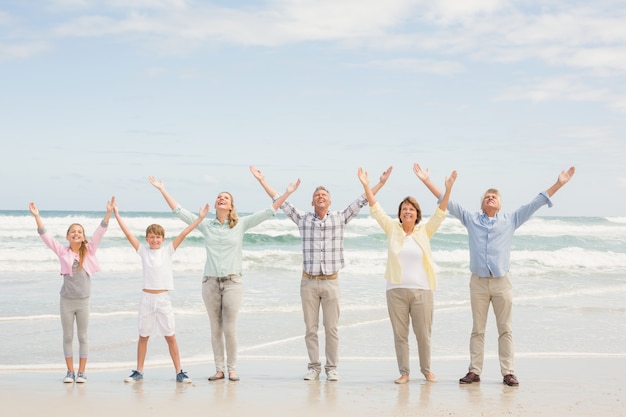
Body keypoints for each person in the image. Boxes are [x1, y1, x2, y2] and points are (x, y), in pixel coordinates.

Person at [415, 163, 576, 386]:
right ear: (482, 204)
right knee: (477, 330)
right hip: (478, 283)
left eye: (494, 197)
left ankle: (508, 372)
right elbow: (447, 202)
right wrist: (426, 180)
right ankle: (474, 371)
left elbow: (536, 202)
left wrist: (558, 183)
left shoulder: (510, 220)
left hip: (502, 283)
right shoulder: (471, 220)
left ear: (499, 205)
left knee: (505, 329)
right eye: (487, 197)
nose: (490, 198)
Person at [150, 173, 299, 382]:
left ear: (231, 206)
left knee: (230, 328)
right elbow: (179, 211)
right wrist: (162, 189)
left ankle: (232, 369)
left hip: (232, 282)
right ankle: (219, 370)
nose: (221, 199)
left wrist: (287, 193)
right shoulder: (205, 224)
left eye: (225, 198)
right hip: (209, 282)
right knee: (215, 329)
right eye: (219, 197)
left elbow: (269, 211)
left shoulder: (241, 224)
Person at [251, 165, 393, 381]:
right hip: (308, 282)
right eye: (317, 195)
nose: (320, 197)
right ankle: (314, 367)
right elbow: (281, 202)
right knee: (310, 329)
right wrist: (262, 181)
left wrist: (379, 182)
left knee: (332, 328)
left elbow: (363, 200)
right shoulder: (303, 219)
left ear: (329, 201)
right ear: (312, 202)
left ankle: (332, 368)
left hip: (331, 282)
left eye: (324, 195)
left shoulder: (340, 218)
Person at [357, 166, 457, 384]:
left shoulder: (425, 231)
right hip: (395, 290)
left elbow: (441, 212)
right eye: (404, 209)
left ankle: (427, 370)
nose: (407, 212)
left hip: (422, 291)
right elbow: (375, 208)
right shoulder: (392, 229)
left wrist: (447, 189)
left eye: (411, 209)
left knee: (423, 335)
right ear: (400, 214)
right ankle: (404, 373)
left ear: (417, 214)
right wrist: (367, 184)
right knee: (400, 336)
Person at [113, 199, 209, 384]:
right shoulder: (142, 251)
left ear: (162, 239)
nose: (154, 240)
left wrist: (200, 218)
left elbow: (184, 232)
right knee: (143, 336)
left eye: (158, 237)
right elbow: (128, 234)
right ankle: (139, 371)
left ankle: (179, 372)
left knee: (170, 336)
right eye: (151, 237)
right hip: (146, 298)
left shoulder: (168, 251)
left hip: (163, 299)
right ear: (147, 238)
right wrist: (116, 214)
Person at [29, 198, 114, 384]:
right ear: (68, 236)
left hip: (84, 301)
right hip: (66, 301)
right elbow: (47, 238)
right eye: (73, 232)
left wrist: (108, 213)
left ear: (84, 237)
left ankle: (82, 373)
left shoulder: (89, 251)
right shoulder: (62, 251)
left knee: (83, 336)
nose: (76, 233)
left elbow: (100, 232)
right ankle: (70, 372)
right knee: (67, 336)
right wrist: (37, 216)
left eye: (80, 232)